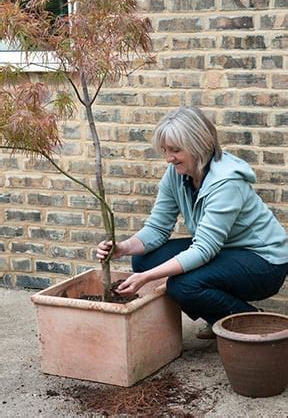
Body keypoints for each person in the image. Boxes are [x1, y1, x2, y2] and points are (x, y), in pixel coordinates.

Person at [97, 106, 288, 339]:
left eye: (176, 150)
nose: (168, 158)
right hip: (224, 251)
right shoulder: (176, 174)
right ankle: (219, 316)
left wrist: (148, 278)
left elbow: (204, 250)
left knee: (183, 285)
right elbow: (157, 227)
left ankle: (253, 324)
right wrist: (123, 248)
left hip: (264, 262)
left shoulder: (227, 183)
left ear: (200, 145)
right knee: (144, 259)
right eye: (165, 150)